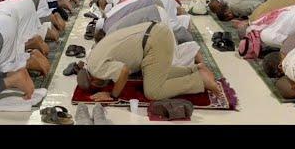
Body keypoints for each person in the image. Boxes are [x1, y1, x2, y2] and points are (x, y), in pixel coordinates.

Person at [77, 21, 219, 101]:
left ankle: (198, 80)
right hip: (154, 31)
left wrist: (112, 95)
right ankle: (195, 69)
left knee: (153, 92)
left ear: (94, 80)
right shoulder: (92, 57)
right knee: (153, 76)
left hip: (155, 41)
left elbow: (123, 71)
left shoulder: (96, 70)